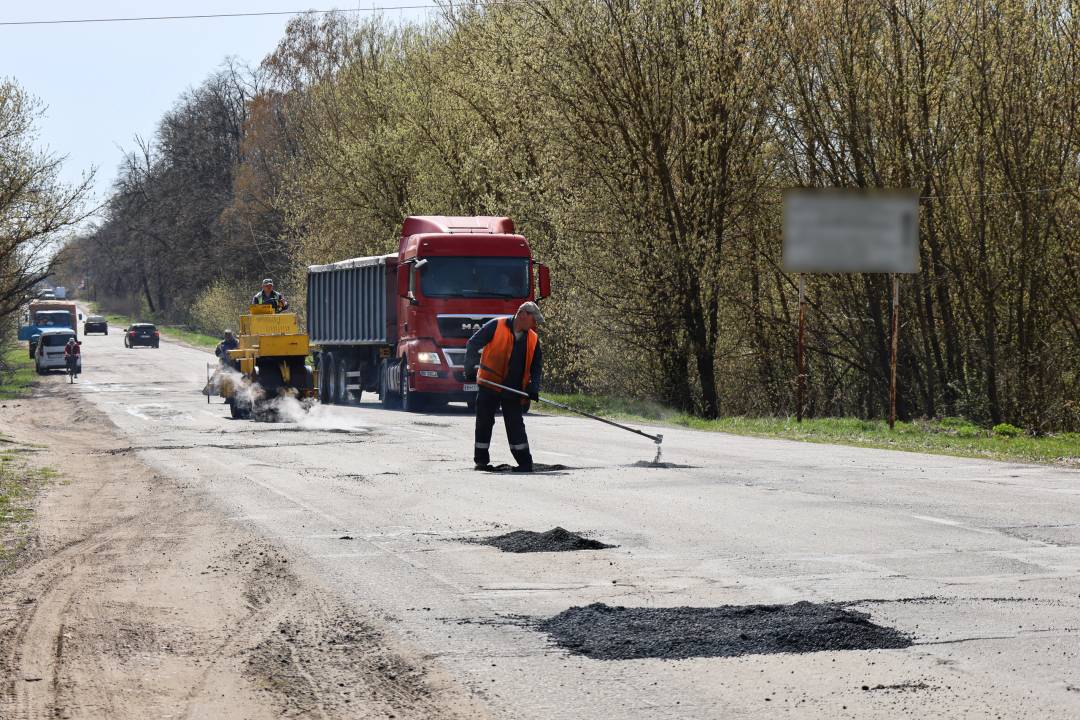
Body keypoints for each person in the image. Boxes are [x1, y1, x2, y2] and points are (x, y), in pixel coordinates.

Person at [463, 301, 544, 472]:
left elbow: (536, 367)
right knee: (484, 422)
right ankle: (482, 461)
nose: (535, 324)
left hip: (513, 388)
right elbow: (472, 344)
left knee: (515, 424)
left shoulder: (533, 339)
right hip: (489, 384)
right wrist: (469, 369)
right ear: (522, 314)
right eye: (533, 319)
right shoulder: (496, 325)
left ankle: (524, 463)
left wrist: (533, 387)